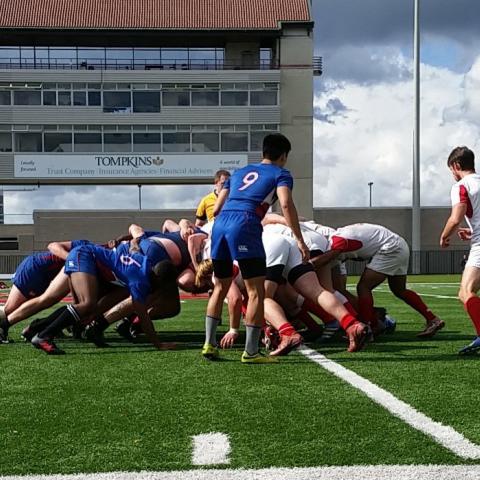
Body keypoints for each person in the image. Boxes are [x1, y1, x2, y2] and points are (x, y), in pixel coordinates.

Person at [202, 133, 309, 364]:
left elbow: (218, 205)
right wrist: (299, 238)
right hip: (246, 222)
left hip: (220, 224)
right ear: (283, 156)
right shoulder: (281, 173)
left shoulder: (239, 172)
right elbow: (286, 203)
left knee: (220, 286)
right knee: (255, 291)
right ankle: (250, 352)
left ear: (263, 152)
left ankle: (209, 344)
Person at [30, 242, 176, 355]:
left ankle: (37, 327)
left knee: (84, 308)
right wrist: (158, 344)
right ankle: (43, 336)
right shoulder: (139, 280)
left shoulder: (145, 263)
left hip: (85, 256)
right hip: (84, 255)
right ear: (159, 279)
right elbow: (143, 316)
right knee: (87, 305)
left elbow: (133, 250)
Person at [312, 223, 444, 337]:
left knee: (363, 287)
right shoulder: (339, 236)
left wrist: (303, 267)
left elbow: (327, 258)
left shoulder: (337, 241)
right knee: (400, 290)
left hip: (390, 248)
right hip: (398, 244)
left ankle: (368, 326)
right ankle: (432, 319)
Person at [0, 239, 90, 343]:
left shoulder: (96, 254)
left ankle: (45, 327)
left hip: (44, 272)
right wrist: (71, 260)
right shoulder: (88, 248)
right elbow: (52, 245)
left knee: (46, 301)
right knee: (10, 309)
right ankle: (3, 327)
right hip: (37, 269)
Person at [440, 146, 480, 354]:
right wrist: (472, 233)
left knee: (466, 292)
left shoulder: (462, 186)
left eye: (451, 171)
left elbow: (456, 216)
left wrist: (445, 235)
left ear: (456, 166)